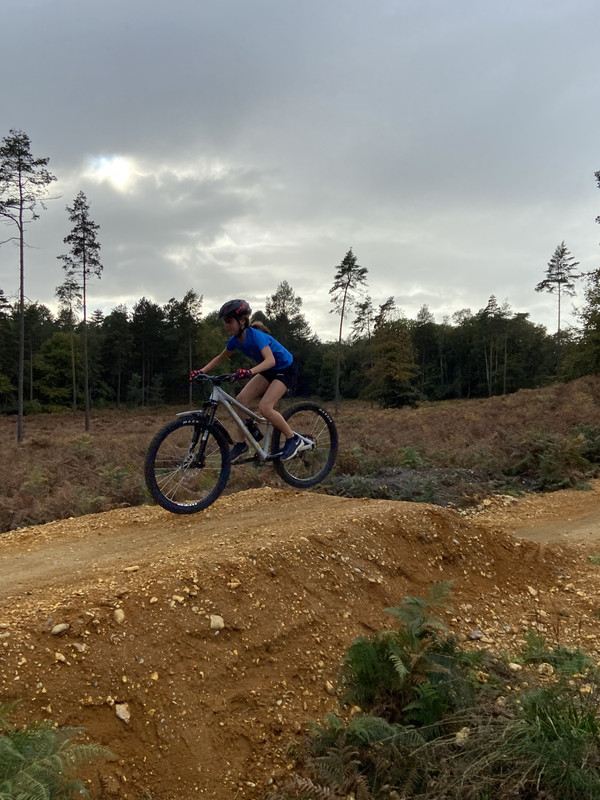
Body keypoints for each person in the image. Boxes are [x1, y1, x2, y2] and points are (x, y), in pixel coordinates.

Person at [191, 299, 302, 462]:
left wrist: (249, 372)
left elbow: (270, 360)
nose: (226, 326)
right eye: (225, 322)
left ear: (242, 321)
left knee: (265, 407)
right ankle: (242, 444)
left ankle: (293, 438)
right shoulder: (234, 340)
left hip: (285, 369)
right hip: (269, 370)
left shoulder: (256, 336)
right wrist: (201, 371)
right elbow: (220, 358)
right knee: (240, 400)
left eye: (229, 321)